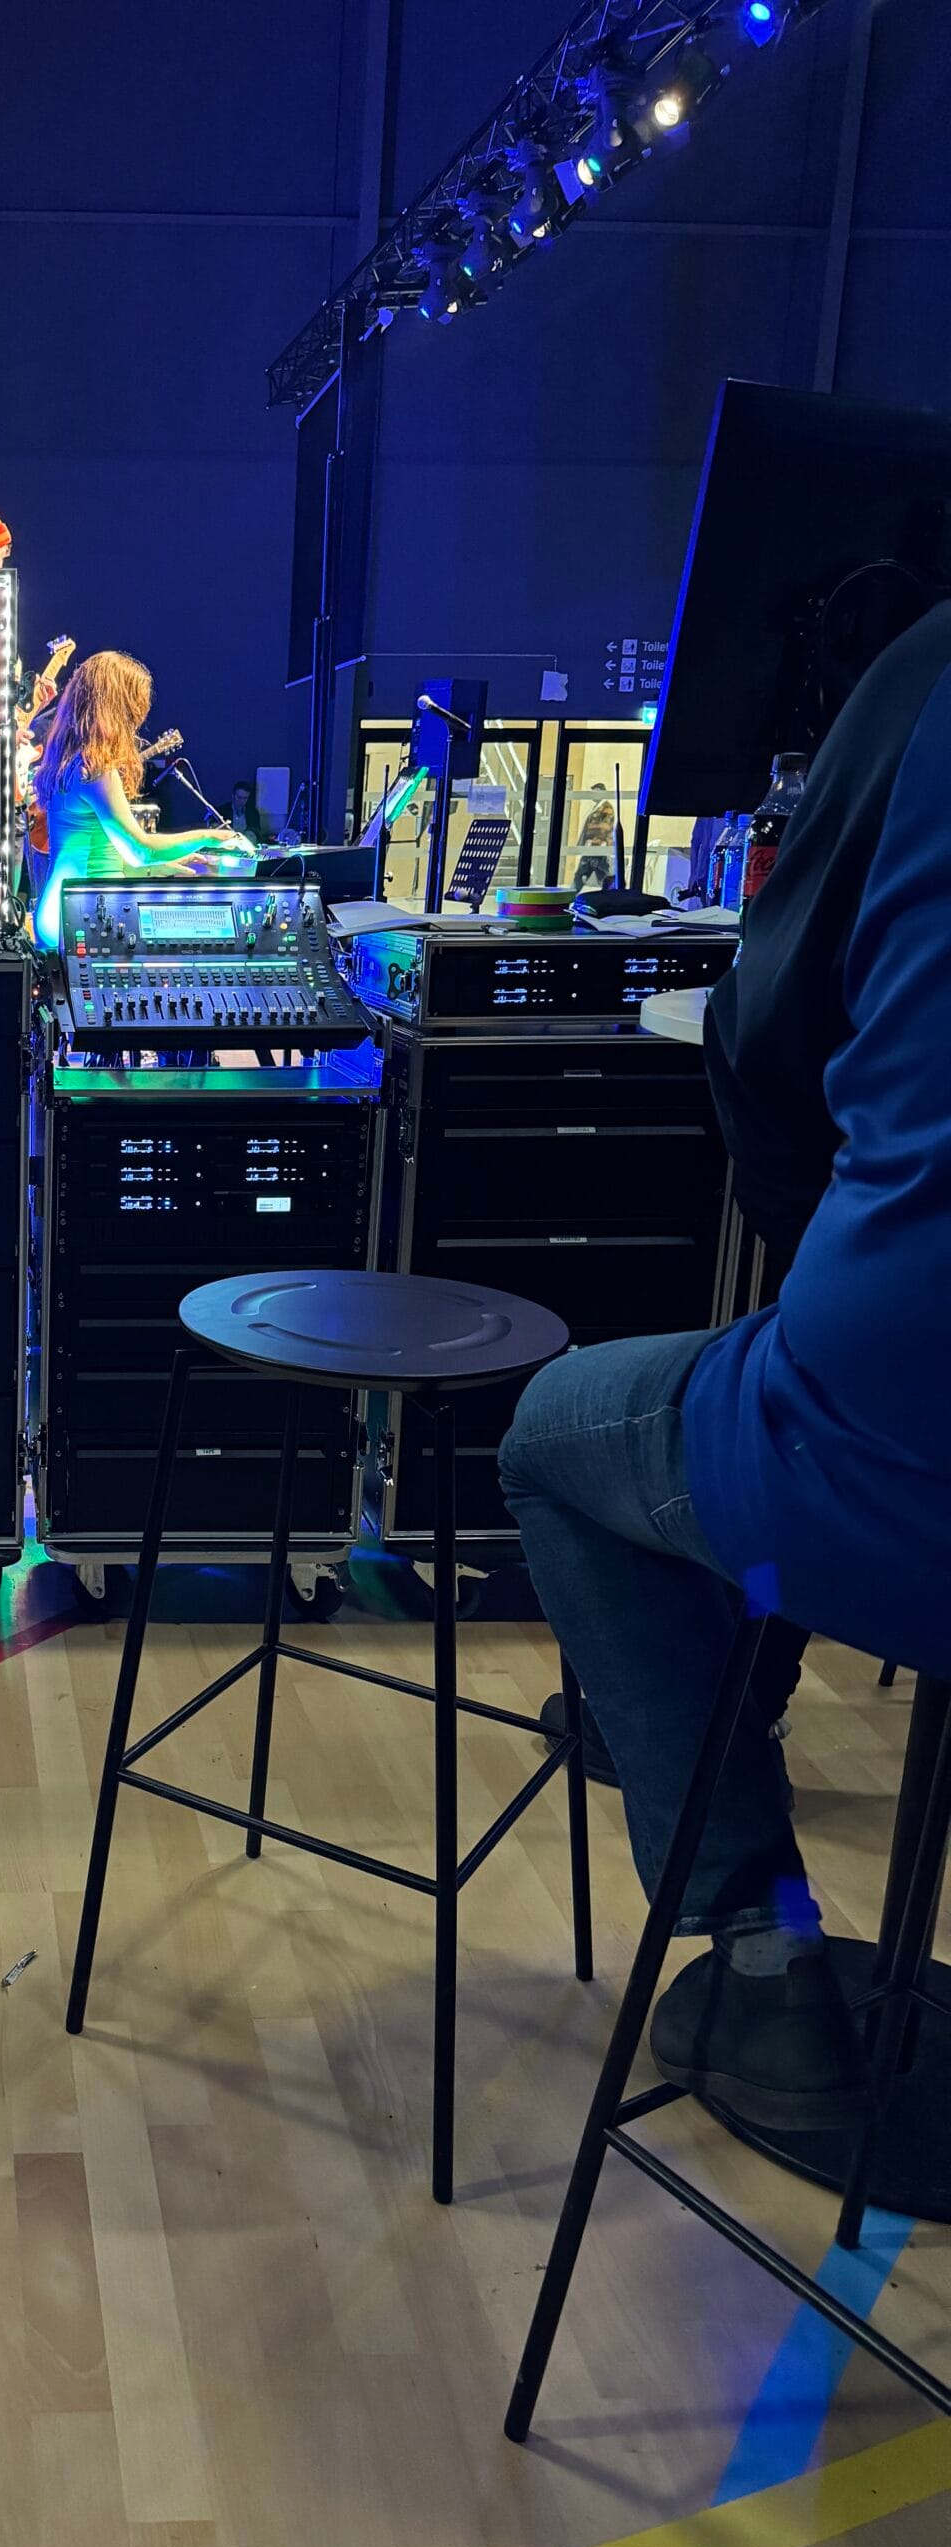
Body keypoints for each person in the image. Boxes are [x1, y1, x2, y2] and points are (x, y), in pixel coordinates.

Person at [498, 599, 951, 2132]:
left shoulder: (928, 680)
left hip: (898, 1447)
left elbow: (765, 1036)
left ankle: (761, 1947)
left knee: (559, 1439)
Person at [28, 651, 243, 949]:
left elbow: (96, 853)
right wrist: (211, 837)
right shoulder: (96, 769)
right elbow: (139, 851)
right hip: (82, 914)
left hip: (56, 912)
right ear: (117, 706)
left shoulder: (66, 763)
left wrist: (168, 865)